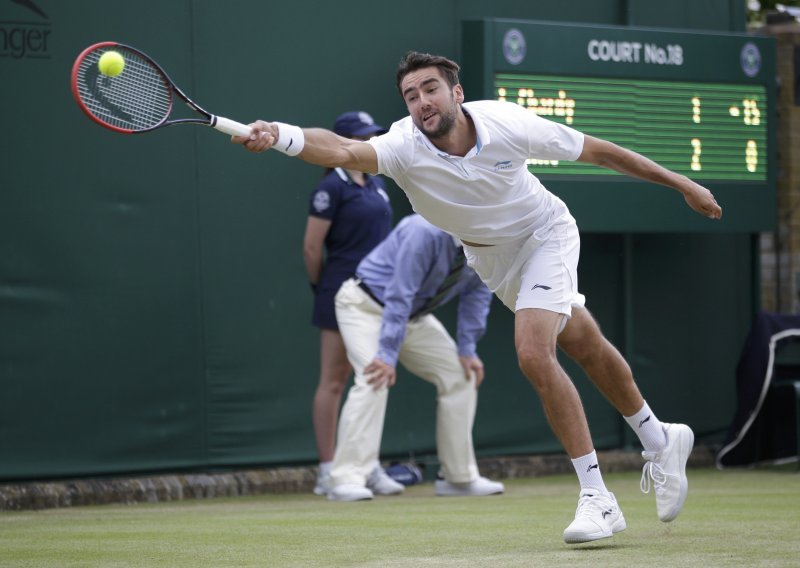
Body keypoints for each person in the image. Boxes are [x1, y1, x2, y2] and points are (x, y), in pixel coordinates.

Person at [233, 51, 722, 543]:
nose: (421, 101)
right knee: (584, 344)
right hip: (491, 261)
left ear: (456, 93)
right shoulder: (402, 146)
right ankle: (660, 438)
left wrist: (683, 184)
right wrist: (280, 133)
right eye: (411, 95)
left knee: (534, 353)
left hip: (545, 234)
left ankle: (597, 498)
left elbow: (601, 152)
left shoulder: (509, 123)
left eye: (430, 89)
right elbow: (339, 149)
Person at [328, 213, 504, 501]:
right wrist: (386, 354)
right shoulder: (423, 232)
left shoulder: (486, 243)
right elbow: (400, 292)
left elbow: (478, 293)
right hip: (364, 306)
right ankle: (346, 477)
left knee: (461, 376)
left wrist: (467, 348)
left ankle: (458, 477)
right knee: (375, 376)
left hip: (412, 317)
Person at [302, 111, 393, 496]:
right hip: (339, 293)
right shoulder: (332, 188)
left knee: (373, 378)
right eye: (360, 136)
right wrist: (323, 288)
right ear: (340, 143)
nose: (369, 142)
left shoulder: (376, 184)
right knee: (335, 380)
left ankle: (366, 464)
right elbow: (311, 247)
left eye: (372, 136)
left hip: (378, 296)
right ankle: (329, 469)